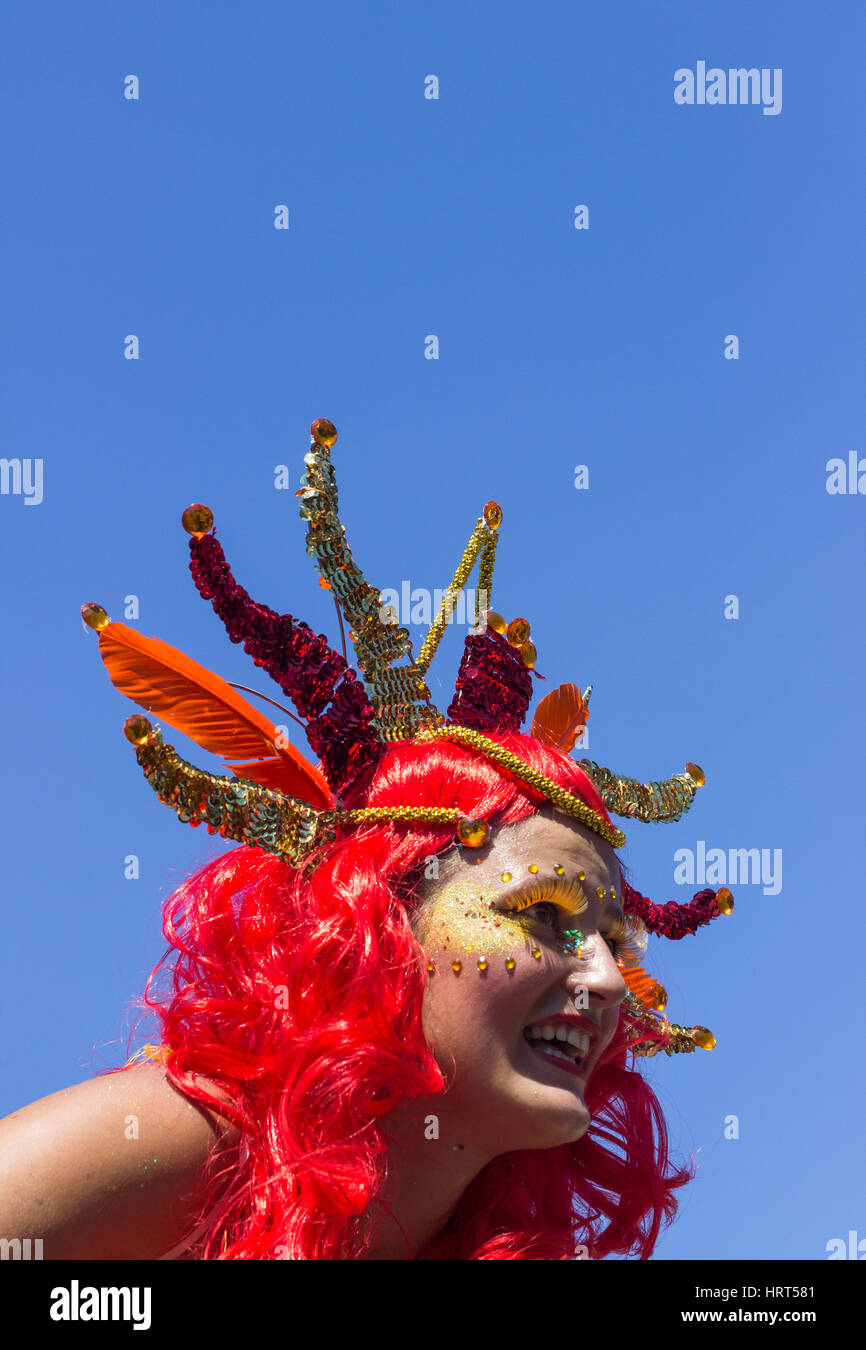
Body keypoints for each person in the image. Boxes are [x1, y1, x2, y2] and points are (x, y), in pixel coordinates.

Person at [0, 419, 731, 1260]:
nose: (605, 980)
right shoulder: (190, 1143)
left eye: (612, 938)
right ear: (379, 925)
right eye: (541, 914)